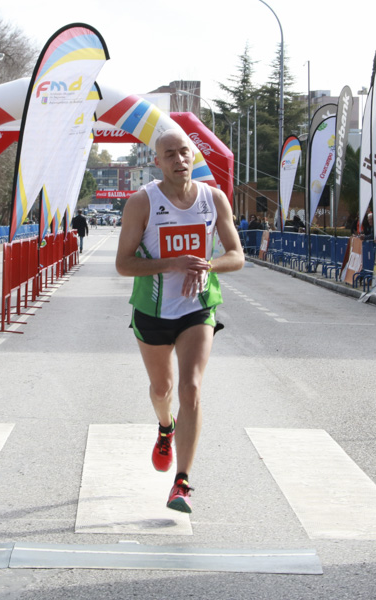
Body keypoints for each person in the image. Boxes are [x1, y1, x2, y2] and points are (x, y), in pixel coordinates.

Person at [115, 129, 244, 514]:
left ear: (193, 156)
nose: (178, 159)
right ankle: (165, 428)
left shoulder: (213, 198)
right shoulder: (142, 202)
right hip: (153, 309)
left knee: (190, 387)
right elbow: (124, 264)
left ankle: (182, 482)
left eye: (184, 152)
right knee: (162, 389)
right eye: (169, 154)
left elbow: (236, 255)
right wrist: (172, 263)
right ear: (158, 162)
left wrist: (207, 264)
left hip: (197, 307)